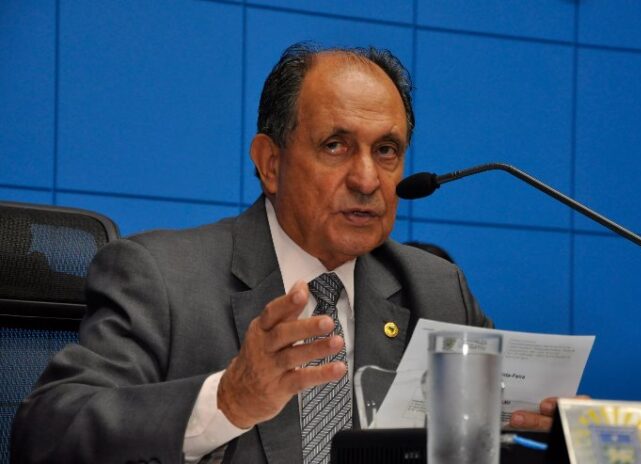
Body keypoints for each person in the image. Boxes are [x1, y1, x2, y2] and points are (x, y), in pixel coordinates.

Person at [12, 43, 557, 464]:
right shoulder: (161, 277)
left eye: (386, 150)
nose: (367, 179)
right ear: (270, 164)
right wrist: (227, 401)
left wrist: (544, 431)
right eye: (336, 146)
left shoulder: (436, 289)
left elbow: (496, 432)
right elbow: (45, 434)